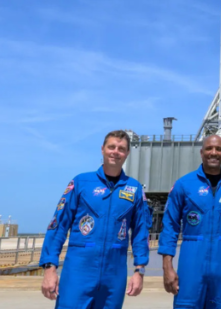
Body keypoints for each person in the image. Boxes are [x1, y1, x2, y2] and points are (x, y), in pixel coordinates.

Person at [39, 130, 151, 309]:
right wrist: (49, 268)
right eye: (111, 147)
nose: (116, 152)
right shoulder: (81, 182)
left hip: (114, 274)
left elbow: (141, 232)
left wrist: (140, 270)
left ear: (128, 153)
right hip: (79, 270)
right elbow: (58, 226)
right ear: (102, 149)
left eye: (121, 149)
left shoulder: (134, 189)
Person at [159, 134, 221, 308]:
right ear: (201, 153)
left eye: (218, 149)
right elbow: (170, 227)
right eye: (209, 148)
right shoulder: (184, 185)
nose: (213, 153)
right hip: (191, 259)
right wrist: (167, 267)